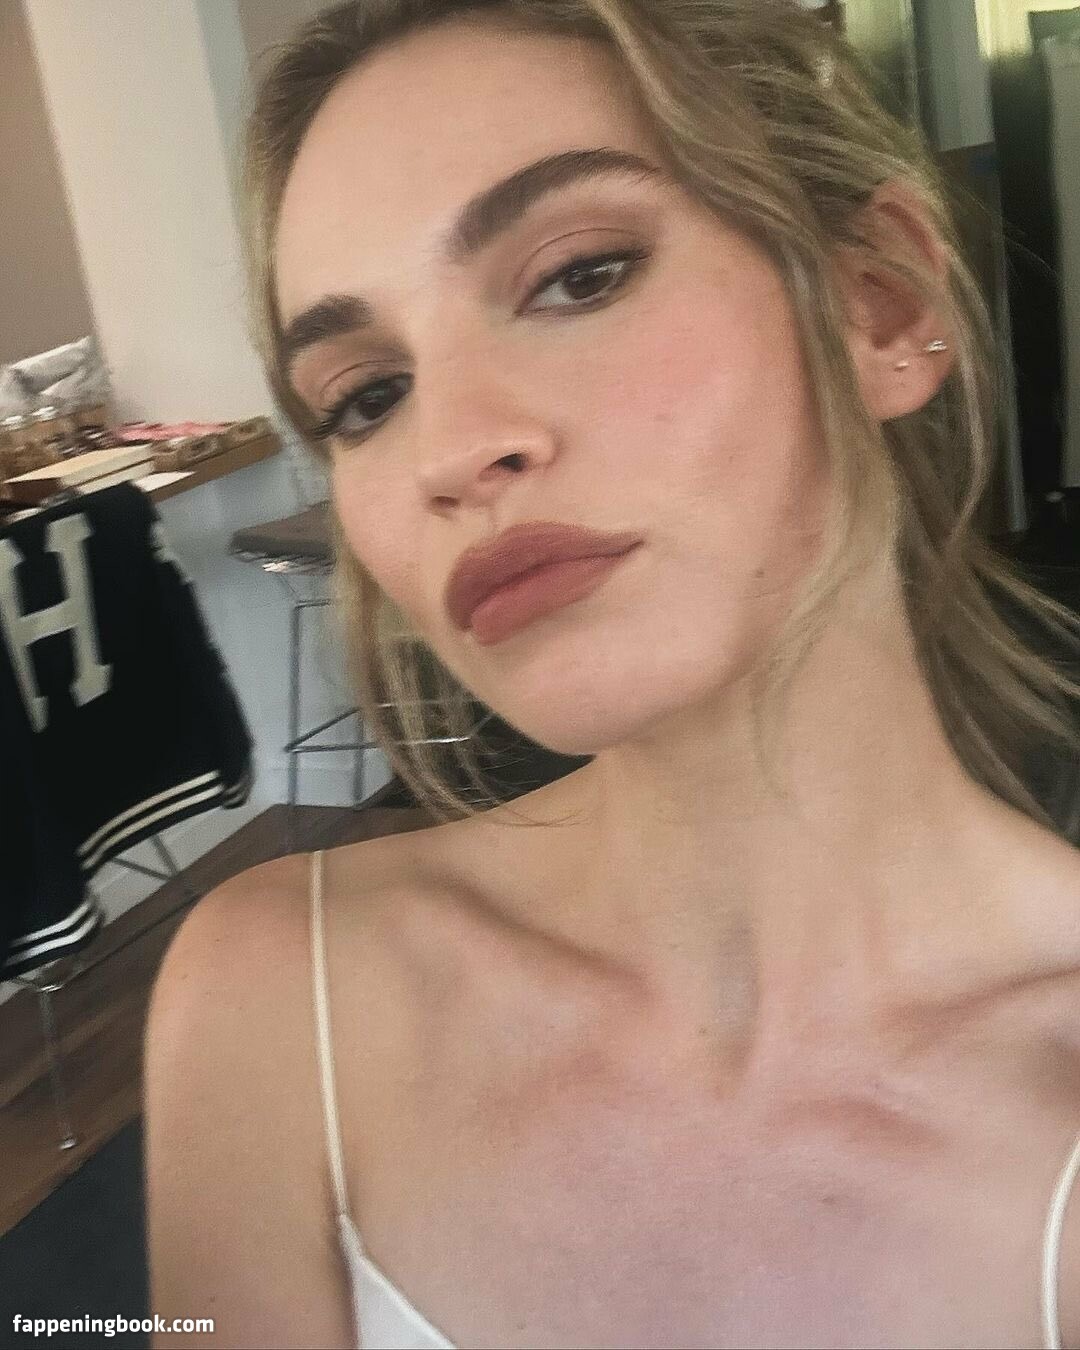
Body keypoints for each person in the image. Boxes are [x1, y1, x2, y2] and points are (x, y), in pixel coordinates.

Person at [144, 2, 1080, 1346]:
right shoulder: (279, 1002)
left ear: (880, 305)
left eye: (579, 275)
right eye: (366, 396)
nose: (449, 451)